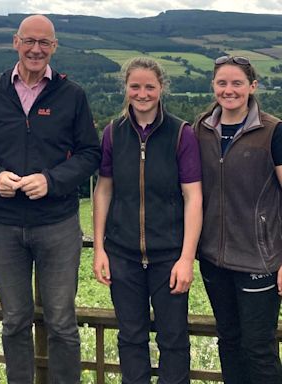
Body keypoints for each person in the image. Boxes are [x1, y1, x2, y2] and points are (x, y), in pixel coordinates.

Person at [0, 14, 101, 384]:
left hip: (57, 224)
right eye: (29, 41)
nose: (36, 49)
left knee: (61, 322)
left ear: (54, 47)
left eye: (44, 43)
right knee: (14, 322)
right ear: (15, 42)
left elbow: (91, 153)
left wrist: (52, 180)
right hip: (3, 225)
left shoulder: (72, 95)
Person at [93, 57, 203, 384]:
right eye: (135, 86)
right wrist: (100, 248)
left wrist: (186, 258)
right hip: (123, 255)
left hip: (168, 256)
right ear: (126, 88)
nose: (142, 93)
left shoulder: (181, 134)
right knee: (130, 337)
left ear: (161, 88)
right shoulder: (113, 133)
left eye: (149, 87)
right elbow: (103, 191)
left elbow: (193, 197)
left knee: (173, 339)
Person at [194, 55, 282, 384]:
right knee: (229, 342)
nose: (229, 90)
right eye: (222, 83)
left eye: (237, 83)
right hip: (214, 260)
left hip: (259, 260)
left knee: (258, 348)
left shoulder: (273, 131)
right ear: (213, 86)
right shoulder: (200, 128)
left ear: (252, 87)